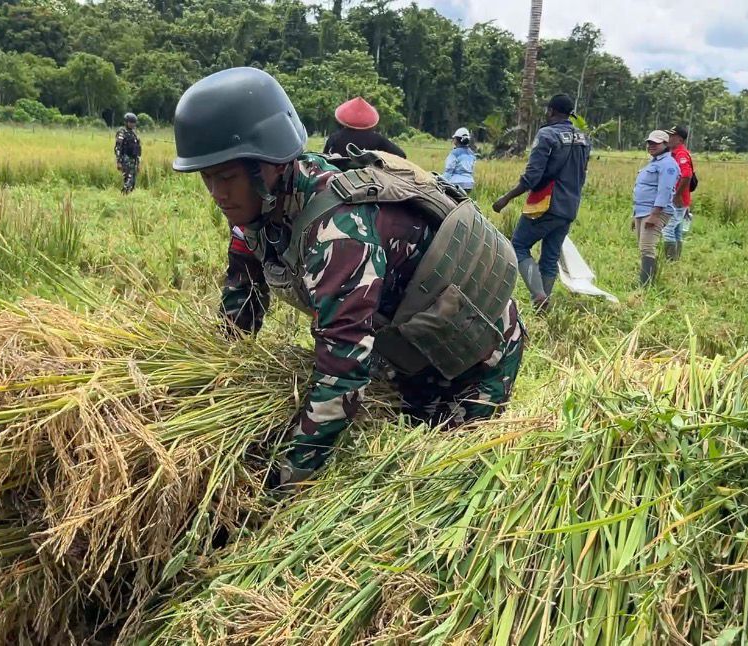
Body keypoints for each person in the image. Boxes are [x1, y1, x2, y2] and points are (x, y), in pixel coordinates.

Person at [172, 67, 525, 488]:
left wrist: (284, 480)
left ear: (269, 166)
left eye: (227, 177)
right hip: (400, 340)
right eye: (207, 178)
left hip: (473, 350)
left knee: (439, 481)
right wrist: (211, 390)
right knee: (397, 429)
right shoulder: (257, 216)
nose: (217, 194)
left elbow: (341, 374)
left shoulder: (339, 231)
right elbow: (239, 308)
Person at [492, 94, 590, 312]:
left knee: (518, 246)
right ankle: (543, 306)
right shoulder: (584, 138)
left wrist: (506, 198)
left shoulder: (547, 135)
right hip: (569, 206)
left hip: (545, 203)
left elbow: (533, 176)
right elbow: (582, 175)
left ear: (551, 111)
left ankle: (538, 296)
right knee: (550, 256)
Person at [633, 130, 680, 287]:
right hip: (642, 211)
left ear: (666, 144)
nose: (651, 146)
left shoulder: (668, 165)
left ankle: (646, 285)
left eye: (655, 143)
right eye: (649, 143)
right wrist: (635, 215)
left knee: (647, 248)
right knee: (643, 247)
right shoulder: (654, 163)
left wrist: (655, 215)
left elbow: (664, 190)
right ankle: (646, 282)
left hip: (654, 211)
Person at [322, 96, 406, 159]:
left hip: (339, 177)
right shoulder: (377, 139)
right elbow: (401, 155)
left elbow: (325, 158)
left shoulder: (335, 137)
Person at [663, 125, 695, 261]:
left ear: (680, 139)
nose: (668, 138)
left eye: (672, 136)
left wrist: (677, 195)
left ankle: (670, 260)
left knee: (667, 229)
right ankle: (676, 259)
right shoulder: (673, 153)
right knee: (676, 229)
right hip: (678, 198)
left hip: (678, 199)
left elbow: (687, 175)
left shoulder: (681, 154)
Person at [442, 127, 476, 194]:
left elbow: (449, 170)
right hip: (469, 184)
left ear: (457, 140)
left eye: (454, 138)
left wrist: (441, 181)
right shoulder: (471, 153)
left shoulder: (454, 153)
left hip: (456, 184)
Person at [115, 112, 142, 194]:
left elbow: (137, 150)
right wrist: (118, 162)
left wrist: (138, 163)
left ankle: (129, 198)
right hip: (125, 159)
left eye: (134, 123)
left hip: (134, 160)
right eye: (130, 122)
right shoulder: (122, 132)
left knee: (133, 182)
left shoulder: (134, 134)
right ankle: (123, 196)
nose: (132, 124)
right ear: (126, 122)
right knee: (128, 180)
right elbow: (118, 148)